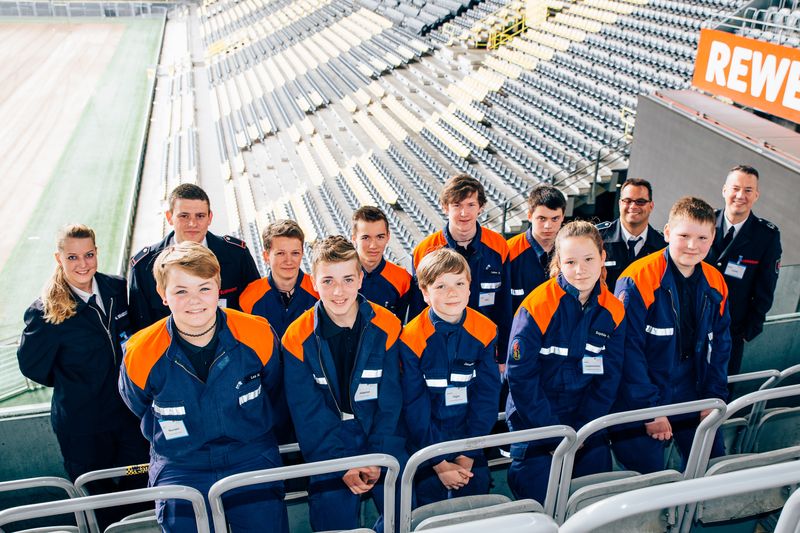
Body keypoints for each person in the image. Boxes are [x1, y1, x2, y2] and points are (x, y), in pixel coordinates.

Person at [119, 242, 288, 533]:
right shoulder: (141, 351)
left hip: (250, 454)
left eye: (204, 288)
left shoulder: (257, 333)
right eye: (181, 291)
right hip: (181, 463)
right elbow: (138, 405)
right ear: (163, 295)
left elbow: (275, 391)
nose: (194, 300)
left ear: (218, 288)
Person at [17, 224, 149, 527]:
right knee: (98, 494)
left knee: (139, 476)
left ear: (96, 253)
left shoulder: (116, 288)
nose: (83, 264)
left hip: (127, 416)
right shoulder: (45, 311)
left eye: (88, 255)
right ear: (58, 258)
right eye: (73, 257)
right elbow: (33, 367)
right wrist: (79, 384)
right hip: (83, 426)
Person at [282, 236, 404, 533]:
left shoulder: (387, 324)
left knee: (402, 512)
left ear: (361, 279)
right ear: (312, 282)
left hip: (379, 432)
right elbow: (307, 412)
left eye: (348, 279)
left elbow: (391, 401)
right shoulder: (296, 338)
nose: (338, 291)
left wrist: (378, 456)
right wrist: (339, 464)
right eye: (328, 281)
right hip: (328, 440)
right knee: (331, 516)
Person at [505, 221, 625, 504]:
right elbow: (521, 378)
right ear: (559, 262)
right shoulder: (537, 307)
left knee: (594, 500)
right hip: (535, 423)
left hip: (586, 422)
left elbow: (609, 376)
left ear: (603, 258)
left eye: (588, 259)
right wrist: (552, 434)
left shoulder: (615, 310)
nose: (580, 269)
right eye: (570, 261)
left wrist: (583, 429)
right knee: (537, 501)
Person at [611, 197, 731, 474]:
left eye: (702, 237)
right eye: (684, 235)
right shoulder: (637, 280)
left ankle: (695, 514)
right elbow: (628, 352)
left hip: (693, 389)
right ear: (666, 233)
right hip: (643, 391)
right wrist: (650, 410)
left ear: (713, 237)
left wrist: (712, 400)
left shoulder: (716, 282)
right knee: (647, 476)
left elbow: (721, 346)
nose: (692, 245)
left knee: (712, 463)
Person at [400, 248, 500, 506]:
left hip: (471, 438)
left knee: (476, 504)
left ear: (469, 287)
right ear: (424, 293)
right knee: (428, 508)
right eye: (440, 285)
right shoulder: (410, 338)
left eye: (459, 283)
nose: (452, 292)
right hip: (426, 445)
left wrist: (469, 453)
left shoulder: (486, 331)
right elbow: (414, 406)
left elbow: (487, 397)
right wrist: (439, 463)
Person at [411, 174, 512, 367]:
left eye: (471, 205)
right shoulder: (424, 250)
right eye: (457, 205)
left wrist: (502, 355)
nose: (464, 213)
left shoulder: (498, 246)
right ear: (445, 207)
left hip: (484, 345)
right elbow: (418, 310)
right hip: (439, 347)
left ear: (481, 207)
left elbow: (504, 305)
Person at [128, 184, 260, 332]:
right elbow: (141, 326)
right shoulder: (143, 266)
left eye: (200, 216)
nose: (192, 223)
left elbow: (255, 306)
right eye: (184, 216)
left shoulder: (237, 255)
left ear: (210, 217)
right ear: (169, 217)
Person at [706, 165, 781, 375]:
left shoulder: (766, 236)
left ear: (756, 195)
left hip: (732, 331)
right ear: (724, 190)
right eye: (735, 188)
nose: (740, 195)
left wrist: (749, 330)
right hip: (691, 324)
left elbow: (766, 287)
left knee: (722, 388)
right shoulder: (704, 221)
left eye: (748, 190)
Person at [239, 219, 318, 339]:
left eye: (295, 253)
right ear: (266, 257)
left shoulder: (318, 292)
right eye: (281, 253)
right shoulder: (249, 297)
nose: (289, 261)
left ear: (302, 254)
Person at [597, 178, 666, 290]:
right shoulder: (596, 238)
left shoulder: (663, 246)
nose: (633, 206)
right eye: (627, 201)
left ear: (651, 206)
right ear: (620, 204)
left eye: (640, 201)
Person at [507, 185, 566, 312]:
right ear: (529, 216)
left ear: (563, 217)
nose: (548, 226)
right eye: (542, 218)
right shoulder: (508, 251)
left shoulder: (572, 251)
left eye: (555, 219)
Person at [352, 206, 411, 321]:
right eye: (366, 237)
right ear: (354, 239)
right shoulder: (339, 277)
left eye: (380, 237)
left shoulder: (402, 278)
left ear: (388, 237)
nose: (373, 245)